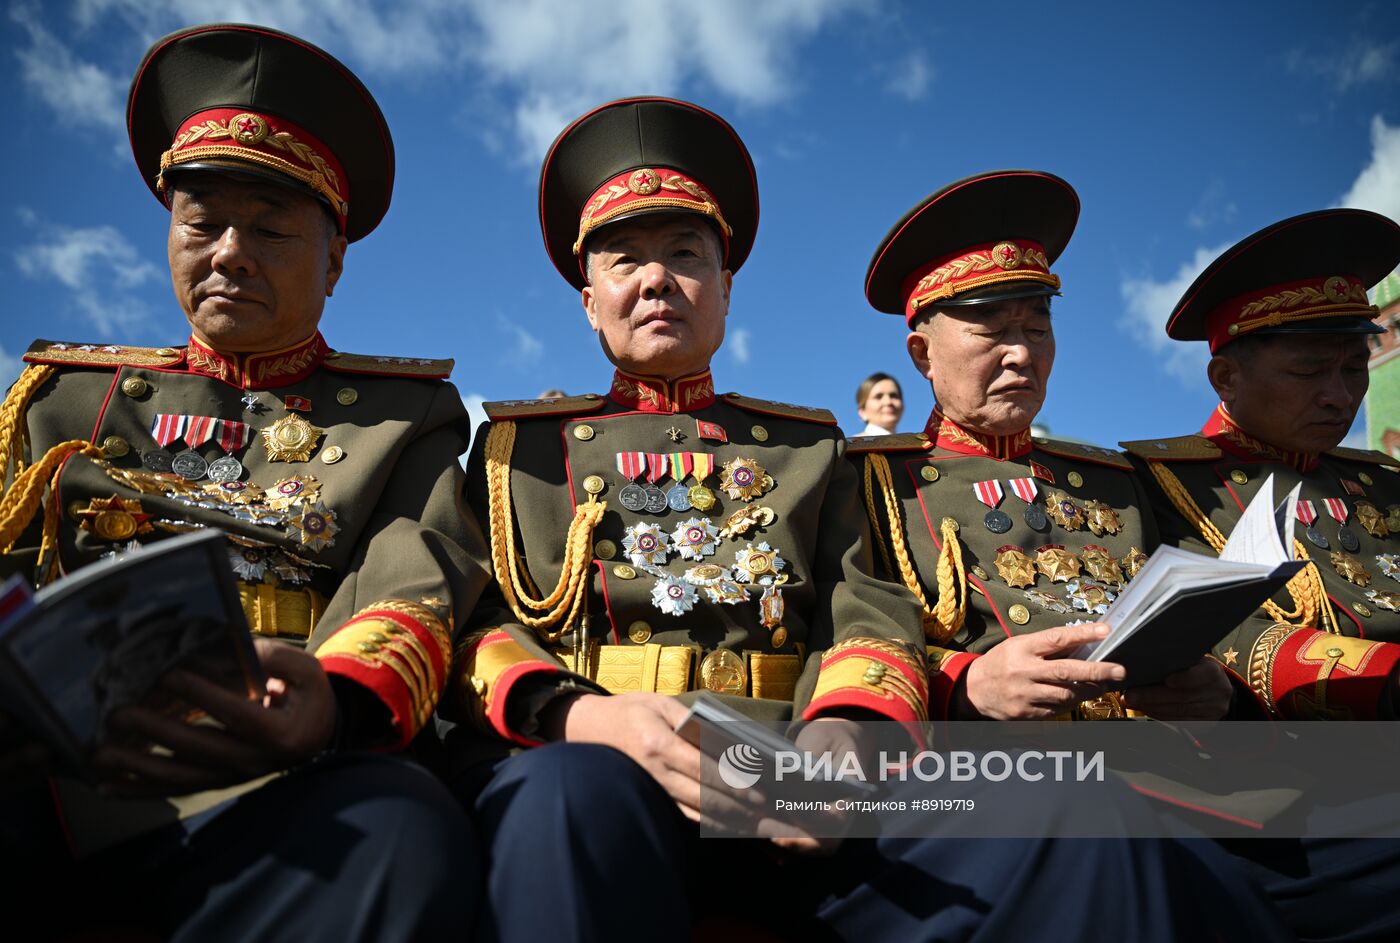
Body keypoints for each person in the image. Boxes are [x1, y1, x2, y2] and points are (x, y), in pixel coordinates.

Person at [442, 109, 1286, 942]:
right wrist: (580, 717)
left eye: (688, 256)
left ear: (727, 289)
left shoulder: (808, 451)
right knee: (564, 798)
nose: (658, 280)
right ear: (591, 302)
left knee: (1063, 803)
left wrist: (846, 736)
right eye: (627, 262)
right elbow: (475, 618)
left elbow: (865, 618)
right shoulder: (519, 451)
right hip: (604, 756)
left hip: (792, 771)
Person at [0, 24, 482, 940]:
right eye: (201, 221)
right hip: (65, 773)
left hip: (291, 769)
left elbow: (409, 579)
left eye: (268, 230)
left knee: (401, 828)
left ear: (334, 261)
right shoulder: (62, 400)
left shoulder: (403, 418)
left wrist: (330, 697)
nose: (228, 253)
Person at [850, 170, 1245, 725]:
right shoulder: (871, 482)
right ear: (923, 356)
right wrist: (962, 688)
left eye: (1036, 330)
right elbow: (848, 641)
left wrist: (1218, 692)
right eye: (990, 332)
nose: (1020, 355)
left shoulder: (1123, 481)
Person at [1122, 208, 1400, 941]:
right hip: (1284, 782)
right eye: (1310, 371)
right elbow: (1217, 634)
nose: (1340, 396)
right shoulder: (1155, 482)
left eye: (1352, 370)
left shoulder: (1384, 483)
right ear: (1226, 375)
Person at [855, 372, 903, 436]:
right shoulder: (853, 445)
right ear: (862, 411)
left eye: (894, 396)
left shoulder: (914, 444)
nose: (888, 402)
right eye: (878, 397)